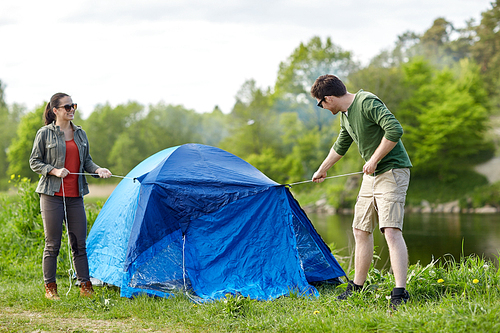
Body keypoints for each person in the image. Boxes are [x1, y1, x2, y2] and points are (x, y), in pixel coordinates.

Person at [310, 75, 412, 309]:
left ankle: (400, 292)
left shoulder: (367, 102)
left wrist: (375, 159)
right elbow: (340, 146)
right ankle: (358, 286)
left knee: (390, 230)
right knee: (360, 228)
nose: (322, 108)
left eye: (320, 103)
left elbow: (395, 130)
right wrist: (322, 169)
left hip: (392, 171)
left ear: (328, 98)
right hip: (371, 176)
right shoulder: (345, 116)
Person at [29, 92, 112, 300]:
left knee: (79, 244)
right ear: (55, 110)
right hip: (52, 195)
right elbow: (34, 162)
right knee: (52, 244)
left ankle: (86, 287)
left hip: (75, 196)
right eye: (67, 107)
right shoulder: (44, 134)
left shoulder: (81, 134)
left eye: (73, 105)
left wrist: (98, 169)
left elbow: (87, 162)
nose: (72, 109)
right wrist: (54, 170)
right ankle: (50, 288)